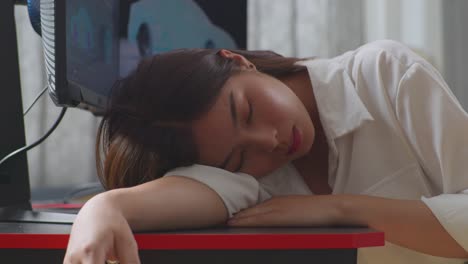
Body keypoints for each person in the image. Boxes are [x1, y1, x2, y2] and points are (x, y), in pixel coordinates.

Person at [63, 40, 468, 264]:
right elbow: (196, 189)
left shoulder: (383, 75)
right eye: (238, 159)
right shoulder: (252, 180)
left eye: (248, 111)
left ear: (238, 61)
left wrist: (343, 209)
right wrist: (103, 209)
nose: (268, 142)